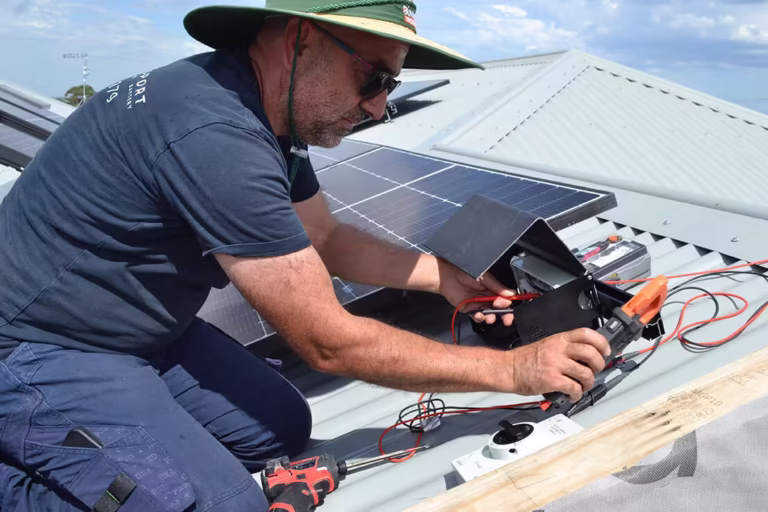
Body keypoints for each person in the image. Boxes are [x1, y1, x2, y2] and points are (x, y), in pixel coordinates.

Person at [0, 1, 610, 510]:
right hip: (40, 347)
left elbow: (325, 237)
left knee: (280, 432)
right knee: (229, 506)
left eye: (390, 85)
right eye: (373, 78)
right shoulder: (214, 135)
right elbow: (328, 342)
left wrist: (445, 280)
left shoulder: (262, 108)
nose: (379, 105)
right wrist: (512, 371)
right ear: (296, 39)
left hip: (144, 331)